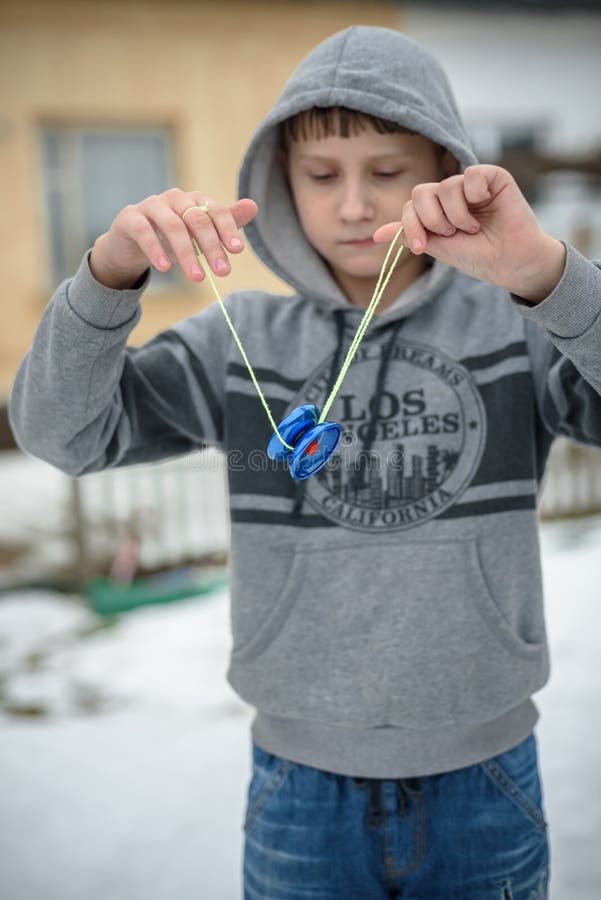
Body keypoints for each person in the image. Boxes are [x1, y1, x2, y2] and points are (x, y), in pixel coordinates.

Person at [8, 24, 601, 900]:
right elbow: (61, 432)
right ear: (279, 181)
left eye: (388, 171)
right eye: (322, 175)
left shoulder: (516, 326)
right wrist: (105, 277)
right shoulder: (234, 344)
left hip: (487, 776)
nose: (355, 205)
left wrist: (551, 278)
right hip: (298, 789)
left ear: (444, 170)